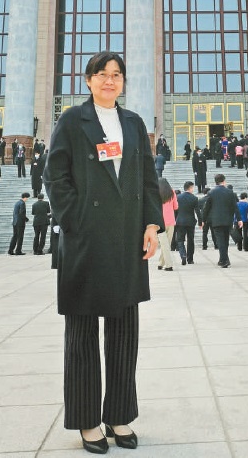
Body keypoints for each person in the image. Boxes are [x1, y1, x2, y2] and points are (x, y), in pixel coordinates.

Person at [42, 51, 163, 453]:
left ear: (123, 82)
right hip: (85, 240)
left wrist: (151, 224)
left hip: (127, 240)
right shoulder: (72, 121)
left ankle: (119, 415)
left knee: (124, 335)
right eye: (102, 74)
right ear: (89, 80)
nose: (110, 81)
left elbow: (147, 177)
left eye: (116, 75)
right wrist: (74, 220)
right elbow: (54, 176)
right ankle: (87, 421)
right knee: (82, 336)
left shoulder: (133, 123)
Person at [202, 174, 242, 268]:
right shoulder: (230, 192)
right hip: (228, 220)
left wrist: (203, 220)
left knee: (220, 241)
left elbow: (206, 208)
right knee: (225, 240)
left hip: (216, 220)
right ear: (224, 181)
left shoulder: (211, 192)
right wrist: (239, 219)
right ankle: (223, 259)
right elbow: (235, 207)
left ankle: (224, 261)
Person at [175, 181, 202, 265]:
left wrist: (175, 220)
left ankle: (183, 254)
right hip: (190, 222)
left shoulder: (178, 197)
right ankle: (190, 259)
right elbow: (198, 211)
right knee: (190, 240)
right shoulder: (194, 198)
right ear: (190, 188)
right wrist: (200, 222)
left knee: (180, 240)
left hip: (180, 221)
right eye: (192, 187)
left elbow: (175, 210)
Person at [157, 177, 178, 271]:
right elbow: (176, 207)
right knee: (166, 244)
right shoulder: (172, 192)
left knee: (164, 244)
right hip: (171, 221)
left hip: (160, 221)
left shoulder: (156, 193)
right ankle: (161, 263)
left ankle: (168, 265)